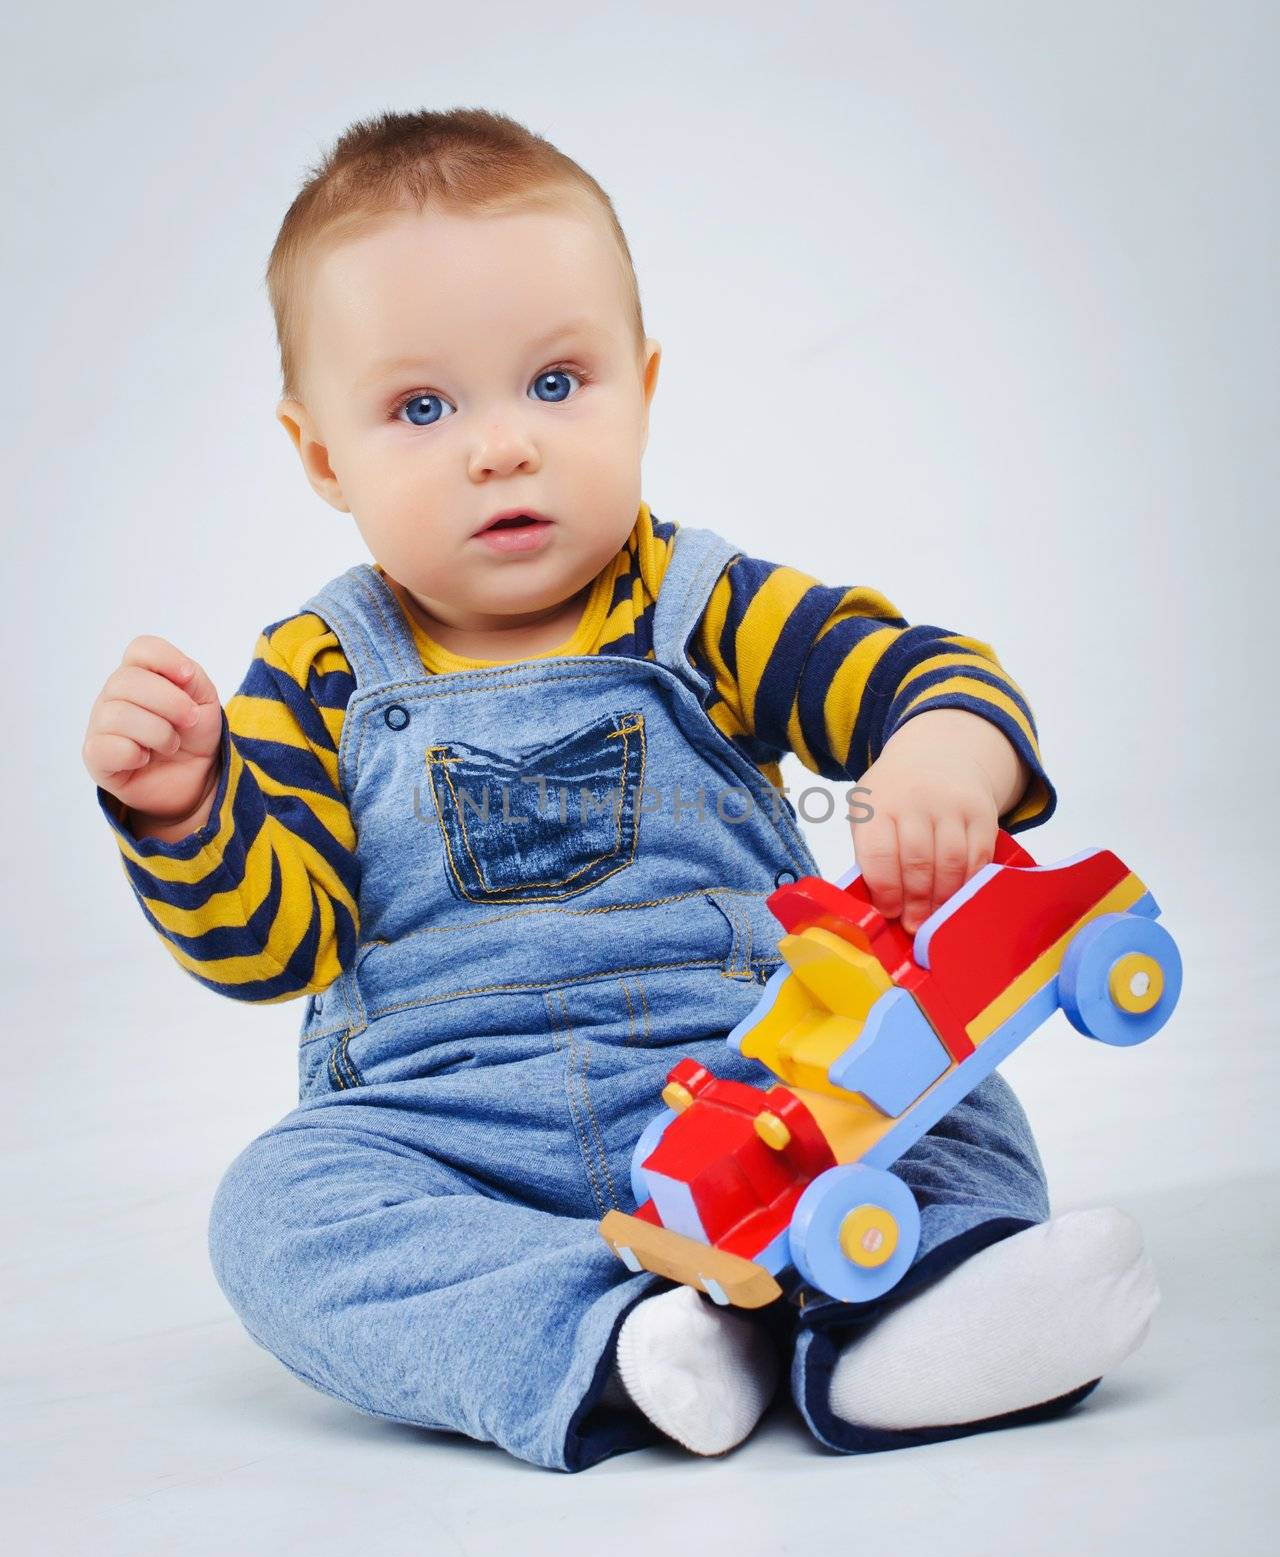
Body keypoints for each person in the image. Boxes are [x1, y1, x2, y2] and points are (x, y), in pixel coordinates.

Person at [81, 107, 1160, 1472]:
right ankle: (620, 1337)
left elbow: (917, 673)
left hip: (758, 1073)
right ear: (320, 458)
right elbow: (273, 946)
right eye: (422, 408)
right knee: (276, 1211)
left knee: (945, 1108)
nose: (500, 447)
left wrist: (942, 756)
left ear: (642, 387)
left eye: (555, 384)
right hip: (452, 1119)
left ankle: (918, 1323)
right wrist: (184, 810)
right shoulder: (313, 673)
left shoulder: (705, 607)